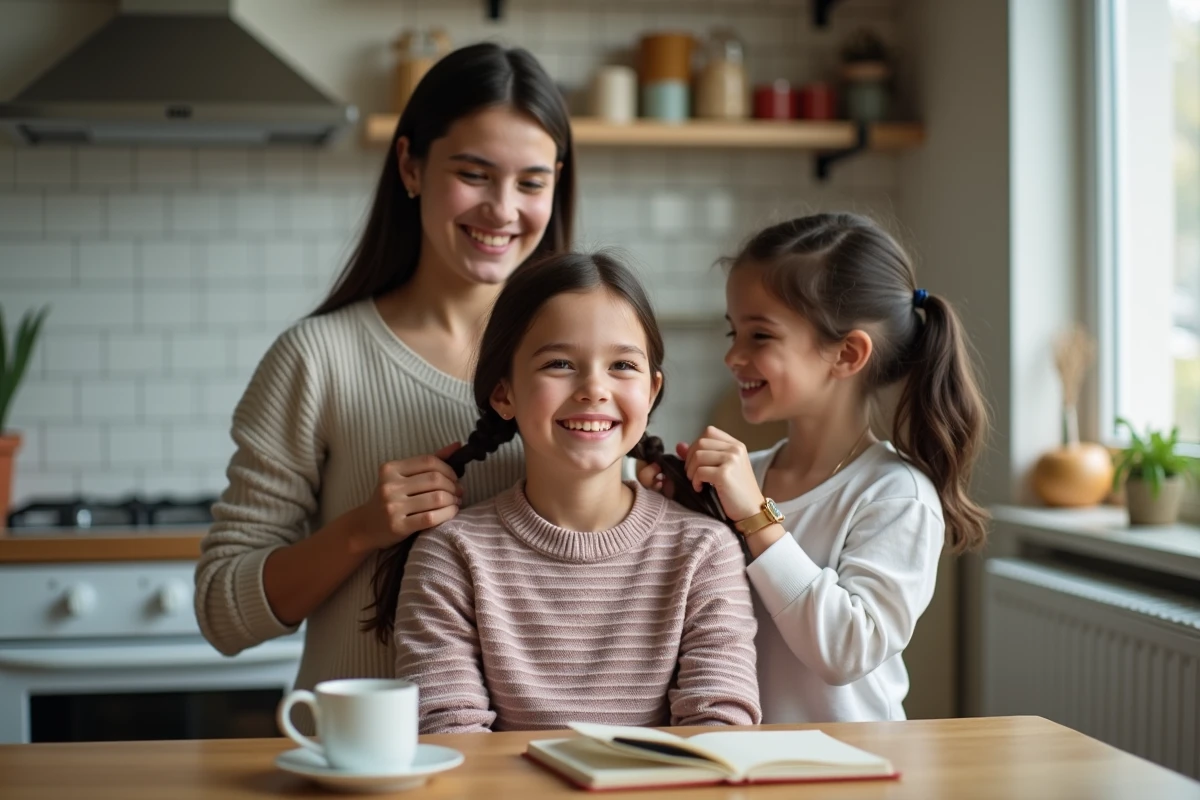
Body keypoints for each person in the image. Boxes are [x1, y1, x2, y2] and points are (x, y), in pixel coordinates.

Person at [194, 42, 576, 692]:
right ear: (411, 165)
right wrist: (360, 530)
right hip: (364, 769)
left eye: (531, 182)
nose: (504, 209)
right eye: (475, 173)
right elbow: (223, 614)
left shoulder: (584, 357)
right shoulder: (316, 359)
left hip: (536, 769)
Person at [380, 251, 762, 733]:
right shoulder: (449, 555)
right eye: (560, 363)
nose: (593, 389)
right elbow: (451, 739)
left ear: (651, 391)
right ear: (504, 394)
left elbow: (719, 729)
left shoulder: (705, 552)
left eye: (622, 365)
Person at [640, 213, 989, 722]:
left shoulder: (896, 495)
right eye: (733, 331)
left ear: (847, 354)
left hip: (851, 771)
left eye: (760, 336)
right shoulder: (742, 479)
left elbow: (847, 649)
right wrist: (667, 514)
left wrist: (754, 515)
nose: (733, 355)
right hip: (739, 762)